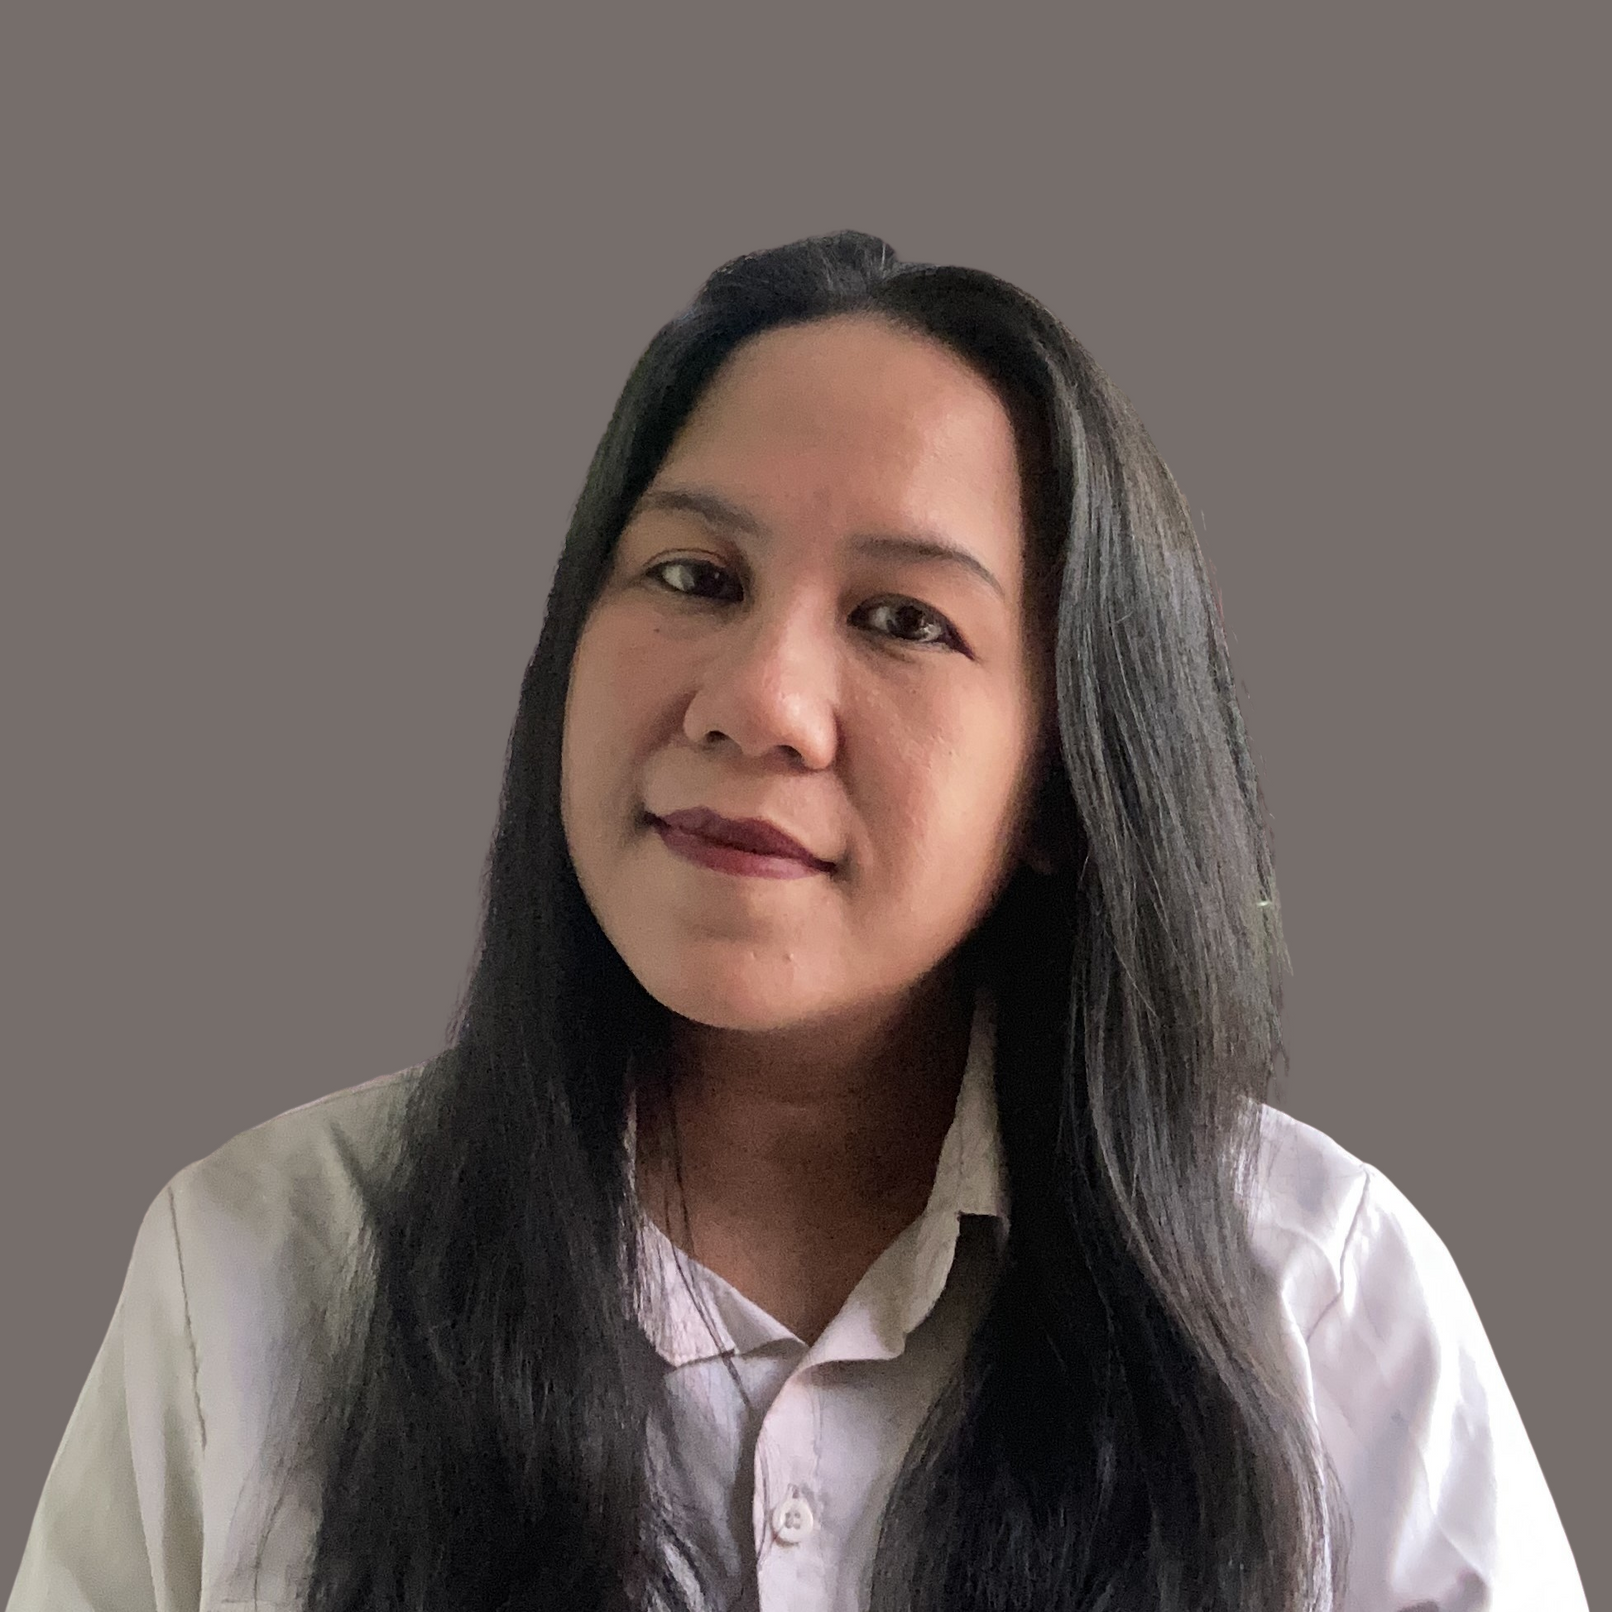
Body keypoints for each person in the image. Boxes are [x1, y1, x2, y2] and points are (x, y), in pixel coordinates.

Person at [6, 232, 1587, 1612]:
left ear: (1063, 776)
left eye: (906, 619)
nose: (757, 699)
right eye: (692, 575)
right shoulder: (257, 1269)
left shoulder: (1320, 1303)